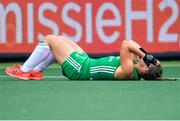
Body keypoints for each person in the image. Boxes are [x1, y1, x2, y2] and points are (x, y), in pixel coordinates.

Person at [6, 35, 162, 80]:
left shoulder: (129, 70)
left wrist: (146, 55)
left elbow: (126, 43)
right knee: (63, 40)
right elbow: (133, 43)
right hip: (85, 62)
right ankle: (36, 71)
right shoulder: (135, 65)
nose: (142, 60)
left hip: (80, 69)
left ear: (145, 68)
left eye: (145, 62)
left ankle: (25, 70)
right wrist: (148, 56)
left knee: (49, 40)